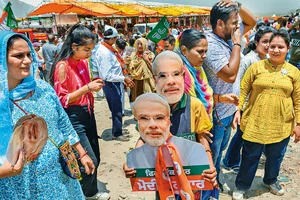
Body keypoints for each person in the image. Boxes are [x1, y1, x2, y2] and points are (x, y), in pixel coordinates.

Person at [0, 31, 95, 199]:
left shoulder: (43, 89)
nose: (28, 60)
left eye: (29, 54)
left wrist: (82, 153)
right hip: (19, 187)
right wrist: (6, 171)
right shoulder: (2, 103)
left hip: (60, 180)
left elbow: (63, 123)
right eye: (18, 56)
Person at [232, 29, 300, 200]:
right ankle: (242, 185)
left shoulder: (294, 72)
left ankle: (271, 180)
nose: (276, 50)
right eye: (272, 46)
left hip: (281, 122)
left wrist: (298, 124)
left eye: (280, 47)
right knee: (250, 155)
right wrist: (237, 111)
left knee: (275, 156)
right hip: (255, 120)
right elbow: (243, 89)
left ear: (288, 48)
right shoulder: (256, 67)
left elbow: (298, 99)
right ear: (267, 48)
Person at [49, 24, 110, 200]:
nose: (89, 53)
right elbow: (62, 100)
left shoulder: (83, 62)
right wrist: (87, 88)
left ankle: (90, 192)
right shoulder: (62, 66)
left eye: (91, 49)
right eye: (86, 49)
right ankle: (82, 193)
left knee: (96, 156)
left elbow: (83, 87)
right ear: (74, 47)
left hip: (88, 113)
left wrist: (92, 86)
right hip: (74, 117)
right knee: (88, 158)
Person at [202, 0, 256, 188]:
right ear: (219, 24)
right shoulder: (210, 43)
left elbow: (252, 22)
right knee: (213, 152)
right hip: (216, 112)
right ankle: (211, 184)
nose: (237, 27)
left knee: (221, 149)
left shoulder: (226, 35)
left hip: (229, 108)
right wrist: (236, 43)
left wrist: (237, 5)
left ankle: (216, 179)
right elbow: (230, 75)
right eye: (234, 23)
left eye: (237, 23)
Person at [125, 92, 217, 200]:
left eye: (159, 118)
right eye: (144, 118)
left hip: (191, 179)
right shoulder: (151, 106)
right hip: (163, 180)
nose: (152, 124)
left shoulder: (194, 104)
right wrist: (134, 162)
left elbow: (202, 138)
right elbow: (144, 139)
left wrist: (210, 165)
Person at [222, 26, 274, 172]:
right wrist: (240, 107)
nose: (268, 45)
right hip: (247, 105)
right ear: (256, 42)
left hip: (260, 105)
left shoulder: (268, 59)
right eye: (264, 41)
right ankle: (230, 161)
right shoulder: (248, 60)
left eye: (270, 42)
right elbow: (240, 84)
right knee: (241, 135)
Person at [91, 25, 134, 142]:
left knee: (117, 108)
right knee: (116, 109)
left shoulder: (107, 49)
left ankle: (117, 129)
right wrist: (123, 78)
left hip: (114, 82)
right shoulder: (105, 52)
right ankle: (117, 133)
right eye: (115, 39)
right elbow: (106, 75)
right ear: (111, 39)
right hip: (111, 83)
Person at [125, 37, 156, 102]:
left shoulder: (150, 54)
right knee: (136, 100)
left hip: (146, 80)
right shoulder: (133, 55)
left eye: (141, 44)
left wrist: (147, 60)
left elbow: (153, 69)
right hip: (135, 81)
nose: (139, 46)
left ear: (145, 44)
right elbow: (130, 68)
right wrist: (128, 62)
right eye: (138, 44)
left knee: (147, 100)